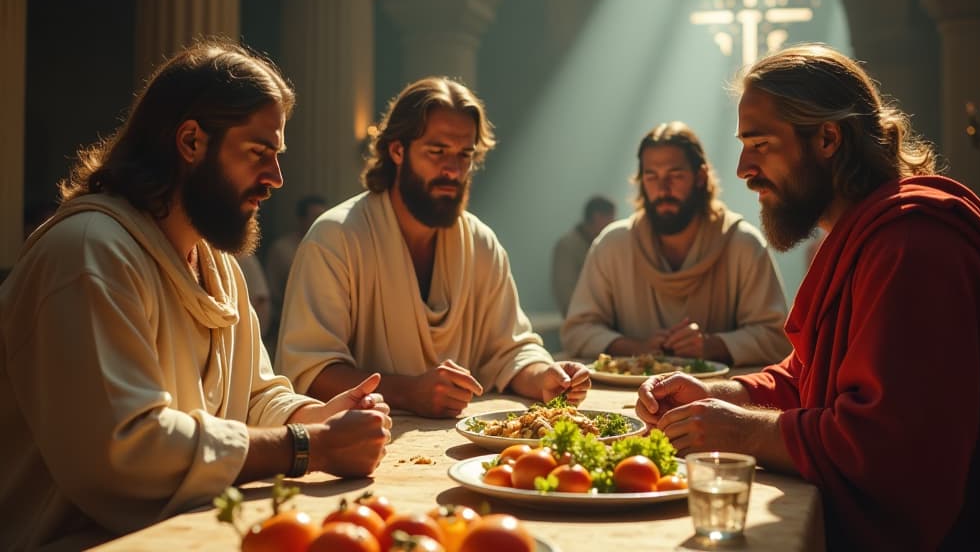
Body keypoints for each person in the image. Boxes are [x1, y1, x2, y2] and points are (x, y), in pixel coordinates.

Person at [0, 40, 392, 549]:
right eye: (259, 154)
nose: (275, 179)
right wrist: (309, 445)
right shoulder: (89, 253)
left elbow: (254, 396)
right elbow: (128, 449)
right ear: (190, 142)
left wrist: (316, 416)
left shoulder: (218, 264)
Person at [636, 44, 980, 550]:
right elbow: (813, 377)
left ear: (828, 138)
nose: (743, 169)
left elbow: (891, 450)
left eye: (760, 144)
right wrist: (727, 394)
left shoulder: (913, 246)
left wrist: (741, 433)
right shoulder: (866, 233)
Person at [276, 76, 591, 418]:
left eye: (465, 155)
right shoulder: (336, 238)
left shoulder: (480, 242)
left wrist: (545, 376)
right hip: (358, 448)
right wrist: (410, 392)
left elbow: (511, 350)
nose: (453, 170)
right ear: (397, 150)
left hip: (458, 449)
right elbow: (309, 371)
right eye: (437, 151)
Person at [561, 122, 790, 366]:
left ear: (700, 177)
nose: (662, 189)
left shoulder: (742, 244)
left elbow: (776, 338)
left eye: (675, 175)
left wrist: (710, 346)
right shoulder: (613, 245)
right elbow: (577, 331)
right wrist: (638, 348)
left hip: (715, 397)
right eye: (651, 176)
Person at [265, 193, 327, 337]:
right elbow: (273, 291)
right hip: (290, 324)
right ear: (301, 219)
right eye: (315, 217)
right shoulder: (282, 249)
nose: (320, 222)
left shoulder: (328, 247)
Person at [551, 195, 616, 317]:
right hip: (582, 325)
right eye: (611, 218)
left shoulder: (602, 245)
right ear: (598, 217)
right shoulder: (567, 247)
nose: (613, 224)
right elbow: (566, 296)